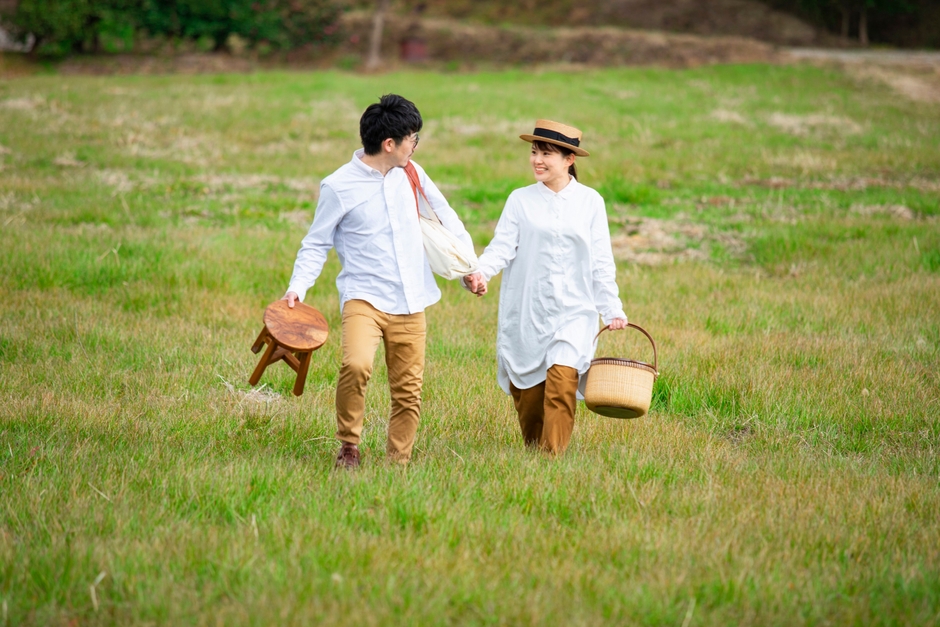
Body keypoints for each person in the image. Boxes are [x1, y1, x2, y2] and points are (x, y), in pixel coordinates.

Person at [284, 94, 475, 469]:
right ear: (390, 144)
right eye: (412, 138)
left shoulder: (412, 174)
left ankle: (397, 463)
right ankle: (349, 445)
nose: (414, 145)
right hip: (364, 297)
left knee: (408, 389)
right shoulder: (338, 186)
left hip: (411, 298)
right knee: (356, 366)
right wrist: (297, 288)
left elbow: (446, 217)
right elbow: (316, 243)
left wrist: (471, 268)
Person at [464, 119, 628, 456]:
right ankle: (534, 452)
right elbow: (501, 247)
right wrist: (481, 273)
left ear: (569, 159)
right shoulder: (520, 200)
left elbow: (601, 261)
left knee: (562, 382)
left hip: (574, 312)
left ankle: (552, 459)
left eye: (546, 154)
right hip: (528, 311)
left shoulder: (590, 202)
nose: (537, 160)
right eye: (534, 152)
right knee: (529, 397)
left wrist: (611, 308)